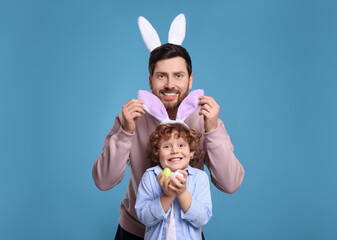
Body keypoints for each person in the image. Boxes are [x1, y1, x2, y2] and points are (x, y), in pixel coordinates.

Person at [92, 43, 245, 239]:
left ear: (190, 80)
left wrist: (213, 130)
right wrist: (126, 131)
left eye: (178, 75)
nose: (170, 84)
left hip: (187, 232)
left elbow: (230, 184)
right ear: (150, 81)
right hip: (135, 231)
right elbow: (103, 181)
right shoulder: (131, 119)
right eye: (161, 76)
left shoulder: (205, 120)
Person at [135, 123, 212, 240]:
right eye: (166, 146)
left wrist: (182, 193)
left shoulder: (200, 177)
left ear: (191, 152)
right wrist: (167, 196)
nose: (175, 150)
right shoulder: (150, 176)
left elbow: (202, 219)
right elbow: (145, 218)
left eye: (181, 145)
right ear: (157, 153)